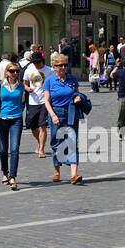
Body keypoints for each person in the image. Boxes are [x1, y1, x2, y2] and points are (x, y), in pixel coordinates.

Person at [44, 53, 85, 184]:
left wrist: (78, 97)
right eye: (60, 65)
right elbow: (46, 101)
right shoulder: (49, 81)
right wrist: (53, 115)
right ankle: (57, 171)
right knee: (56, 143)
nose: (63, 67)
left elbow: (78, 92)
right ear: (54, 67)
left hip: (71, 112)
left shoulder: (72, 79)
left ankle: (74, 174)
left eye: (65, 65)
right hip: (56, 112)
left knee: (72, 142)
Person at [0, 57, 27, 189]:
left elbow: (24, 101)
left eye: (17, 71)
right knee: (3, 149)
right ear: (7, 72)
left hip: (16, 119)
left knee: (14, 148)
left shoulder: (21, 86)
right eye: (12, 71)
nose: (15, 74)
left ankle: (13, 177)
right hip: (1, 120)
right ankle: (5, 172)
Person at [23, 51, 50, 157]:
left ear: (42, 60)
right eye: (34, 62)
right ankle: (40, 143)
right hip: (32, 101)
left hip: (44, 101)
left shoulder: (49, 70)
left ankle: (42, 149)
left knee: (42, 125)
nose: (36, 64)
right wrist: (27, 88)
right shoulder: (29, 70)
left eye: (38, 62)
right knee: (33, 126)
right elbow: (24, 83)